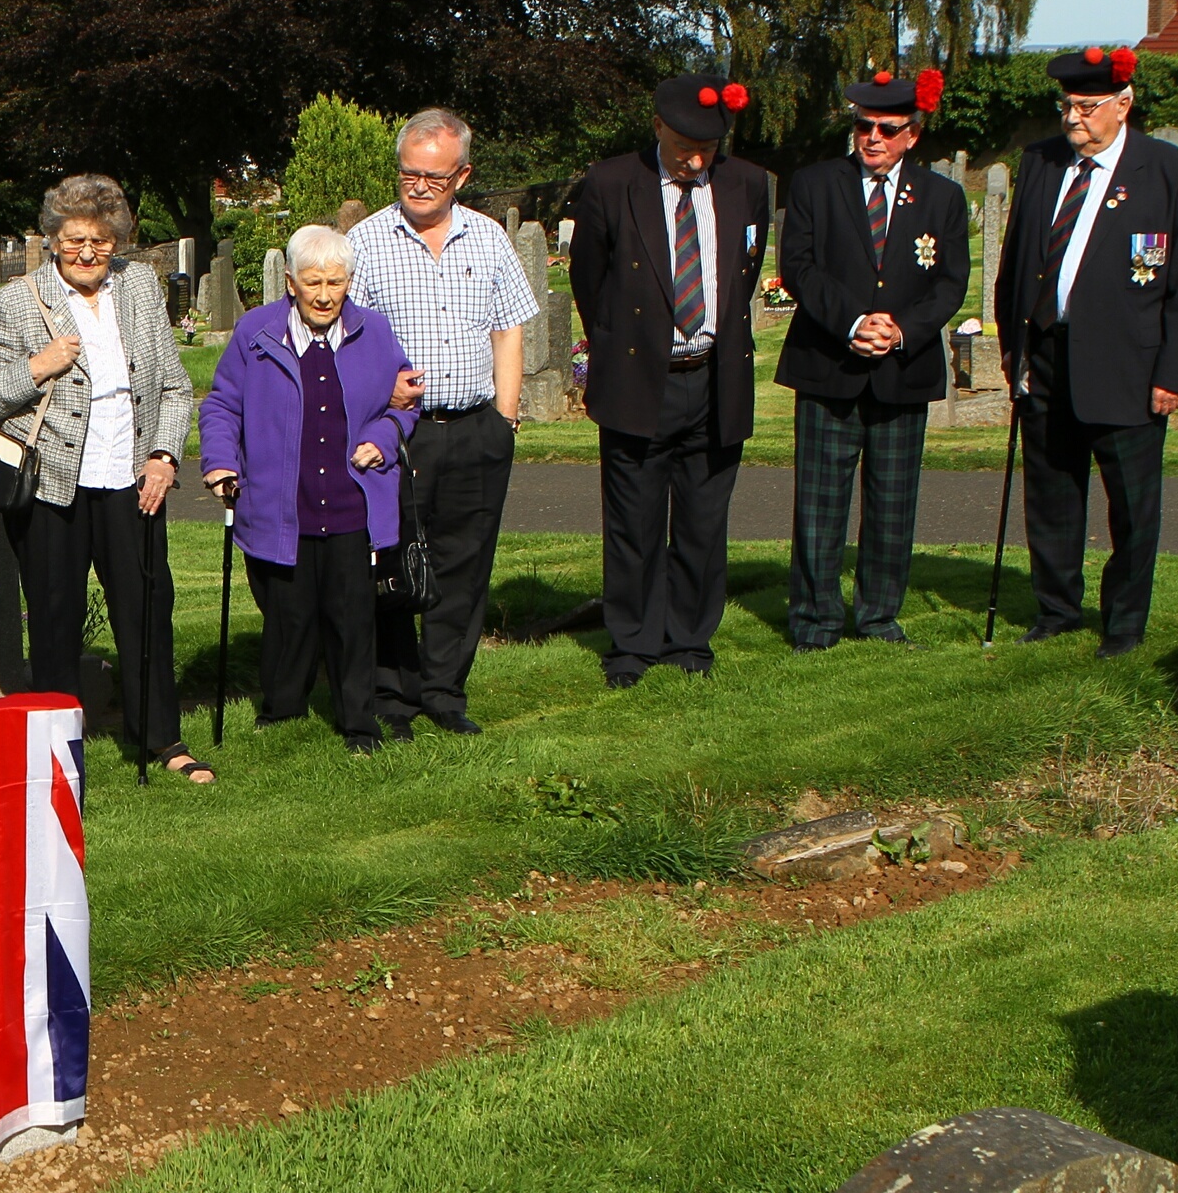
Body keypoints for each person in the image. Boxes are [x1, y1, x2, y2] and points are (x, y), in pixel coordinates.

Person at [0, 174, 206, 780]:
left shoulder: (139, 287)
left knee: (148, 606)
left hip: (132, 478)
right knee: (54, 617)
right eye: (74, 240)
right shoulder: (23, 300)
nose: (87, 254)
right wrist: (40, 366)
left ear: (117, 242)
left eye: (100, 242)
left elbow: (175, 386)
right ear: (51, 239)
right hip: (53, 485)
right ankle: (52, 752)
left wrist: (163, 454)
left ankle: (162, 739)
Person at [994, 47, 1178, 654]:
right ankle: (1056, 609)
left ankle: (1122, 624)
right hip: (1046, 358)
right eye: (1066, 106)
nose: (1073, 119)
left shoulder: (1170, 172)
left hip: (1130, 367)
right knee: (1053, 495)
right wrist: (1014, 347)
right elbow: (1015, 264)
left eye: (1087, 108)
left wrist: (1174, 373)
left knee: (1133, 510)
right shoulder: (1041, 162)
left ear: (1124, 104)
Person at [568, 76, 773, 688]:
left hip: (714, 379)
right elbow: (589, 281)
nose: (693, 159)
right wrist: (618, 352)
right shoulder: (611, 184)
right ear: (657, 127)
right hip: (640, 377)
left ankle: (689, 639)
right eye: (683, 145)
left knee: (704, 520)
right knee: (632, 520)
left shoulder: (747, 184)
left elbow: (746, 268)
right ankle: (631, 642)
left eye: (706, 148)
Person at [347, 109, 537, 738]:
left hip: (476, 426)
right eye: (409, 174)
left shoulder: (487, 239)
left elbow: (509, 327)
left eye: (434, 176)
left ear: (462, 174)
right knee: (393, 560)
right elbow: (346, 340)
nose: (420, 185)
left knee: (465, 561)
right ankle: (392, 696)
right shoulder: (368, 241)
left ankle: (444, 691)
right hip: (399, 430)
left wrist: (504, 418)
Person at [201, 226, 417, 752]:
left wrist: (382, 437)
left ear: (349, 282)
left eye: (336, 282)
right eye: (313, 282)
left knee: (351, 619)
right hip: (281, 505)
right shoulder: (257, 332)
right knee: (288, 616)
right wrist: (221, 463)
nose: (324, 295)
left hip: (351, 503)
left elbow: (404, 405)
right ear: (291, 283)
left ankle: (358, 724)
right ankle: (282, 711)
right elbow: (222, 405)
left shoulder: (376, 331)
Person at [775, 71, 970, 651]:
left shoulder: (943, 197)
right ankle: (814, 619)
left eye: (887, 129)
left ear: (913, 135)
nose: (873, 138)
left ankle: (880, 616)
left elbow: (950, 282)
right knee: (818, 502)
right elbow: (800, 266)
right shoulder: (816, 184)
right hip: (829, 364)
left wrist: (901, 331)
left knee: (892, 502)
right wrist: (856, 323)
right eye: (864, 127)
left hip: (902, 370)